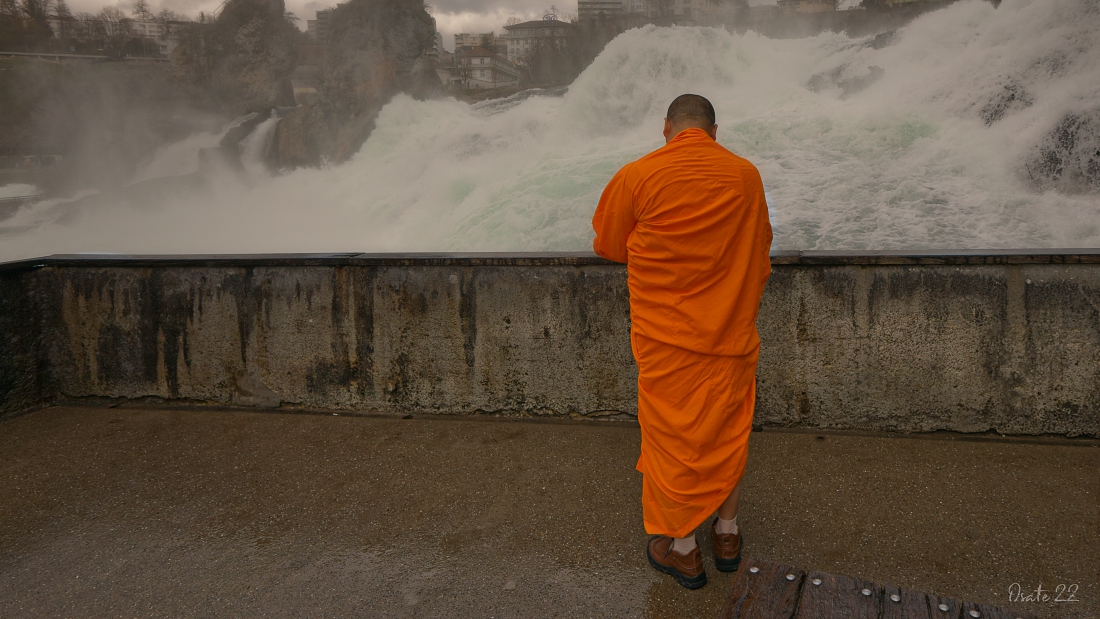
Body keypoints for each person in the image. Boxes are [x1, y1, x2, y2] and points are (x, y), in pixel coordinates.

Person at [591, 94, 773, 589]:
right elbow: (760, 250)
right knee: (727, 431)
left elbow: (608, 245)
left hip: (666, 340)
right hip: (729, 335)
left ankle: (685, 550)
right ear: (714, 131)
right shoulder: (745, 175)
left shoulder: (638, 174)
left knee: (672, 439)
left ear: (666, 127)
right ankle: (728, 534)